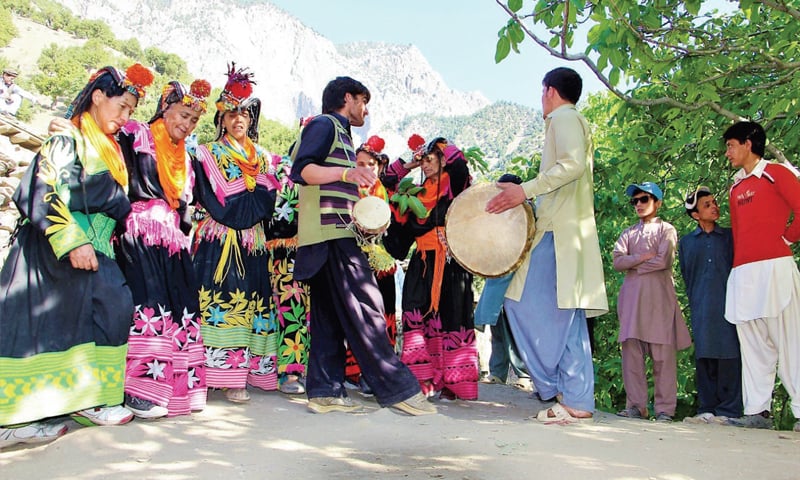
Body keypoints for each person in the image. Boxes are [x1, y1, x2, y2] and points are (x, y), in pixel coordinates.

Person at [0, 64, 153, 447]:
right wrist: (72, 240)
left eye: (131, 112)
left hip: (96, 250)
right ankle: (13, 419)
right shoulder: (67, 139)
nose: (124, 117)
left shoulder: (108, 147)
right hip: (55, 249)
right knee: (39, 329)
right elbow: (42, 188)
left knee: (109, 310)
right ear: (98, 97)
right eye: (121, 107)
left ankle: (88, 399)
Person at [289, 76, 434, 415]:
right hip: (331, 234)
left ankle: (325, 392)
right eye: (363, 101)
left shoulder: (339, 132)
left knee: (329, 316)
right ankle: (398, 390)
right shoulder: (325, 124)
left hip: (327, 233)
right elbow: (302, 169)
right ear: (347, 98)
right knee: (367, 305)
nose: (365, 110)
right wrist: (346, 175)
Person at [486, 67, 607, 424]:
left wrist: (522, 190)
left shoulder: (564, 118)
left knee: (530, 304)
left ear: (549, 91)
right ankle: (569, 394)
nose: (541, 100)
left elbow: (570, 166)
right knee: (558, 312)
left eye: (542, 93)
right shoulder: (567, 120)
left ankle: (566, 391)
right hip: (559, 229)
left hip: (558, 232)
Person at [115, 79, 212, 418]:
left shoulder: (185, 157)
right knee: (149, 304)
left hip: (174, 239)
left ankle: (174, 389)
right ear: (165, 107)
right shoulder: (135, 134)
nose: (186, 124)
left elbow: (191, 204)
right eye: (183, 114)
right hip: (139, 230)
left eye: (193, 121)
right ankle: (138, 389)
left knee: (181, 308)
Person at [192, 64, 280, 403]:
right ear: (222, 119)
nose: (238, 119)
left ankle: (237, 377)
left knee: (252, 302)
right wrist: (242, 204)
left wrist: (247, 202)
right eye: (231, 114)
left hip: (252, 241)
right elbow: (210, 196)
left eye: (243, 114)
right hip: (220, 237)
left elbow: (267, 201)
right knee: (218, 298)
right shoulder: (208, 153)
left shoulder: (264, 158)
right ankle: (210, 373)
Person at [383, 136, 478, 401]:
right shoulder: (414, 194)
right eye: (422, 161)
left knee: (452, 316)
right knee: (416, 314)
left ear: (442, 159)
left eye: (429, 159)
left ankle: (453, 383)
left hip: (451, 262)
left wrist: (440, 144)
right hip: (421, 263)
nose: (424, 165)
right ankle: (421, 380)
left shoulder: (457, 187)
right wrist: (409, 163)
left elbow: (460, 165)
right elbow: (387, 181)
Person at [722, 121, 800, 432]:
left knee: (791, 340)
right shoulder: (736, 187)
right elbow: (740, 236)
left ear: (748, 144)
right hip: (744, 273)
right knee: (752, 342)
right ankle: (757, 410)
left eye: (731, 145)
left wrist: (789, 238)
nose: (727, 152)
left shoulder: (777, 173)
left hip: (776, 268)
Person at [613, 182, 692, 422]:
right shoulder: (628, 233)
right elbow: (617, 262)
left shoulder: (667, 230)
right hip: (632, 304)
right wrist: (641, 257)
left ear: (657, 202)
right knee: (632, 357)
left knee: (663, 358)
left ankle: (665, 410)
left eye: (644, 199)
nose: (638, 204)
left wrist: (633, 264)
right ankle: (636, 406)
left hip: (659, 303)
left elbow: (663, 261)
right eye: (634, 201)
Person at [678, 186, 742, 424]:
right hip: (701, 305)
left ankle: (730, 410)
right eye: (707, 205)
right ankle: (707, 408)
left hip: (730, 304)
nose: (714, 207)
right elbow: (686, 273)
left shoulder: (729, 237)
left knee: (729, 351)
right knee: (704, 352)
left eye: (714, 202)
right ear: (695, 214)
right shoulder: (686, 243)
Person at [343, 134, 398, 396]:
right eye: (360, 164)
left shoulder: (383, 193)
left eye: (371, 165)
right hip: (355, 259)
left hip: (380, 262)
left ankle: (377, 372)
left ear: (379, 168)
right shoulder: (346, 190)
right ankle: (355, 372)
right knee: (359, 316)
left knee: (381, 316)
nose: (366, 169)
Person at [267, 152, 310, 395]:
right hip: (287, 255)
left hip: (316, 254)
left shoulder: (330, 171)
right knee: (289, 310)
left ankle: (308, 369)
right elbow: (278, 216)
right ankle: (288, 372)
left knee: (310, 315)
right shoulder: (285, 170)